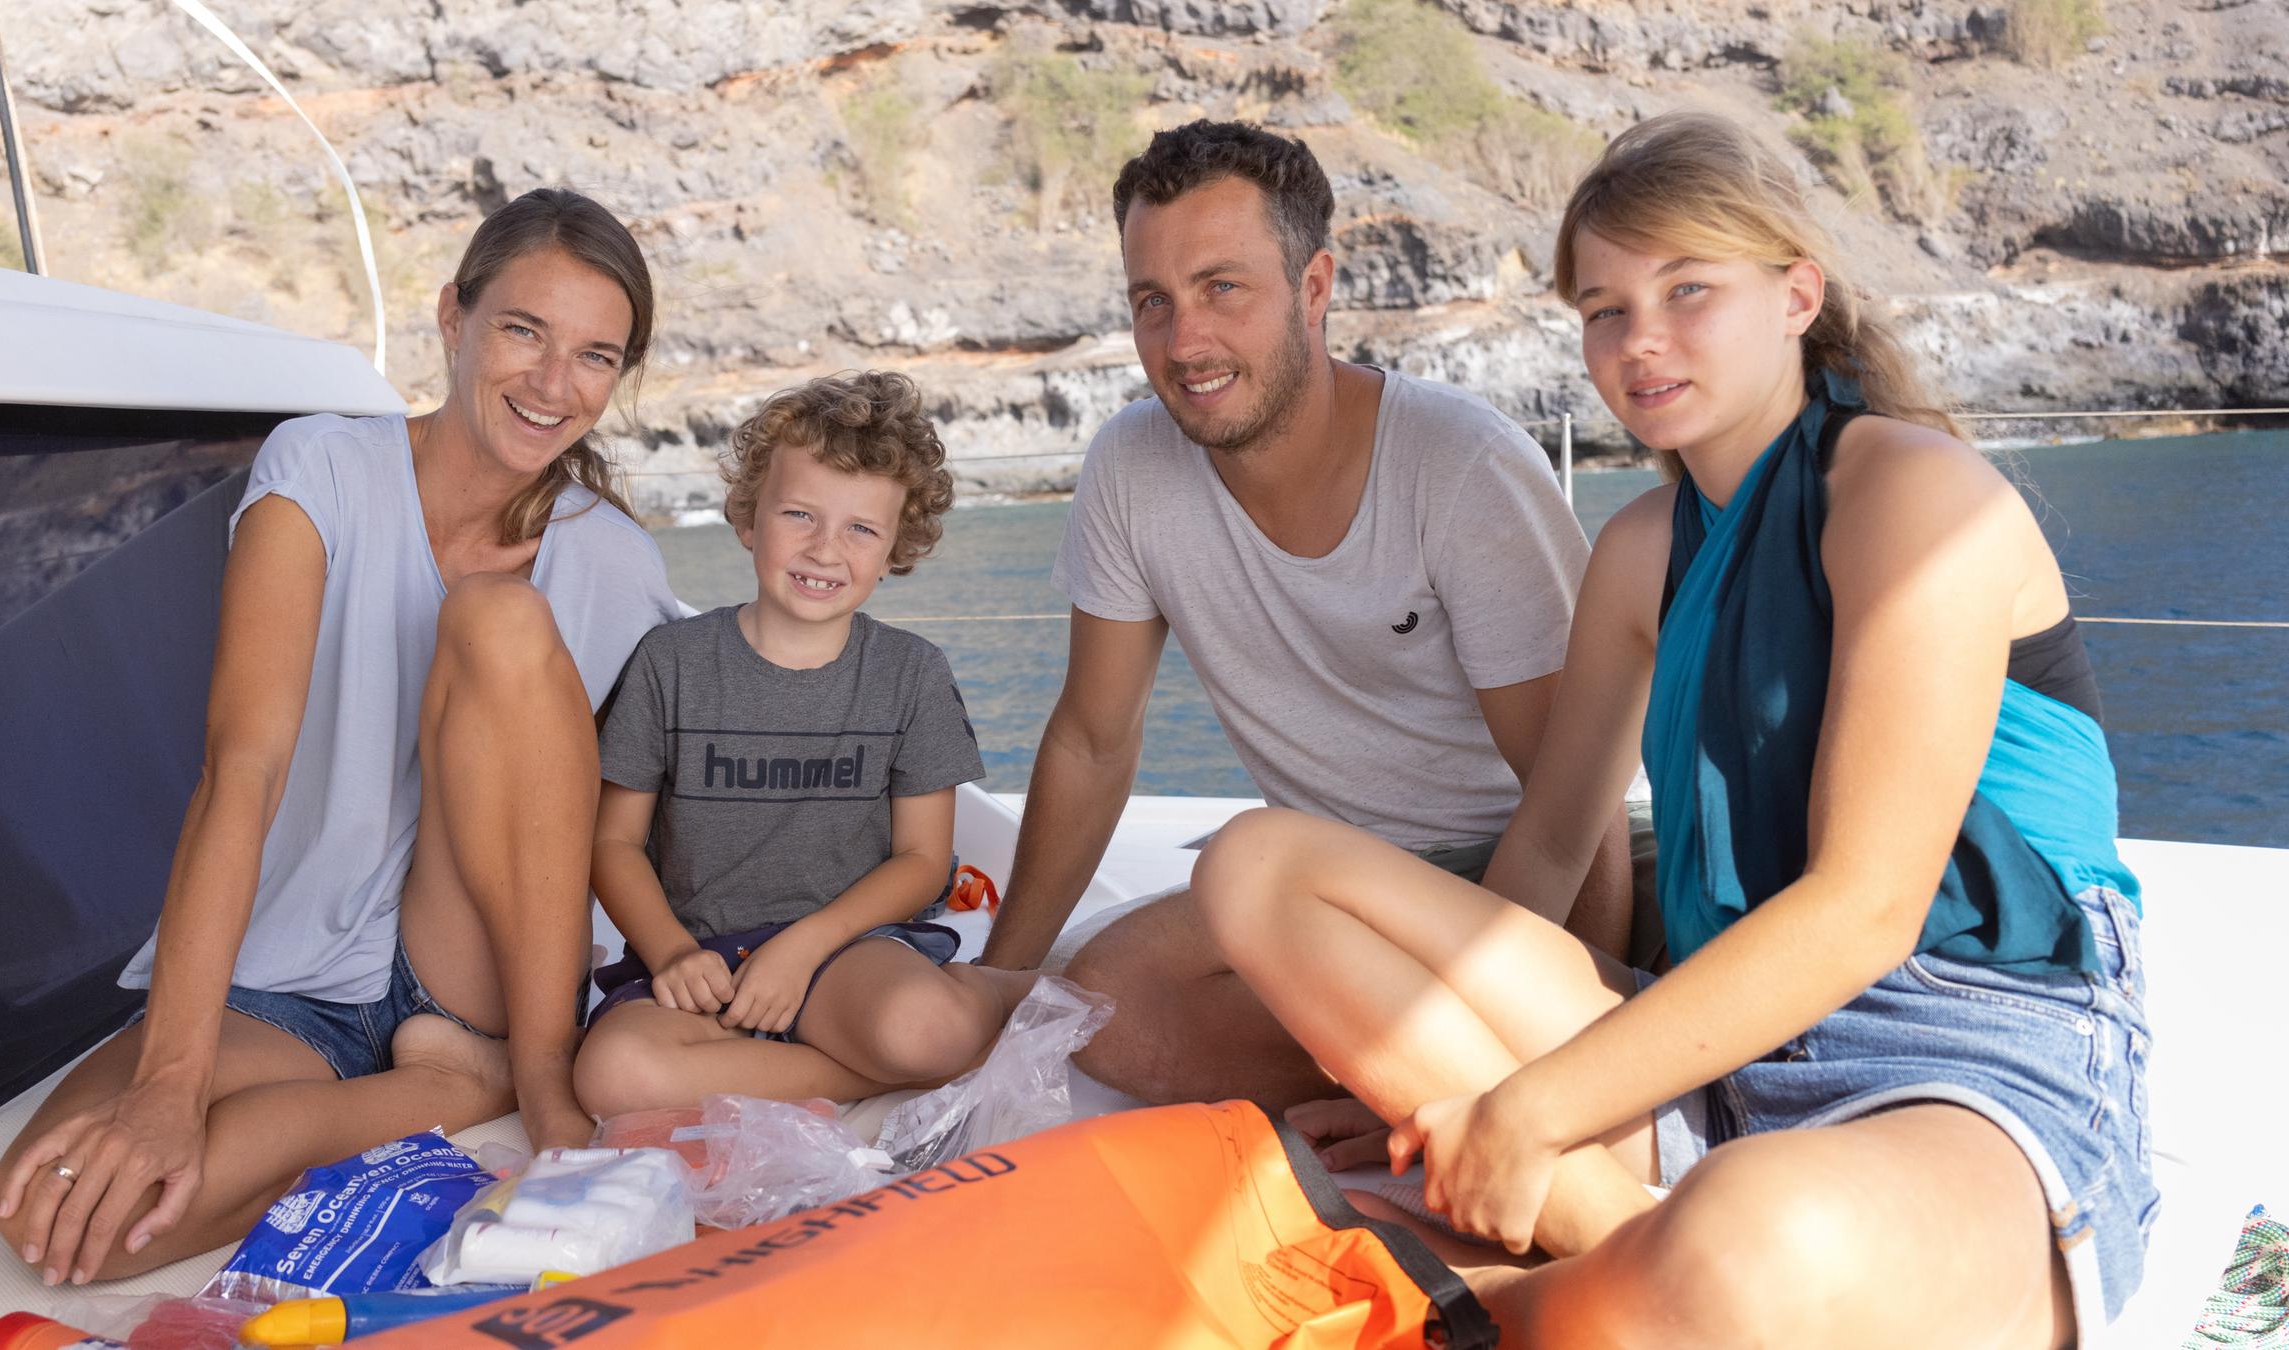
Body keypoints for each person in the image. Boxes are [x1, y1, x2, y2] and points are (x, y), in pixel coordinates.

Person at [1193, 111, 2157, 1347]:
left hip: (1972, 1064)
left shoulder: (1917, 498)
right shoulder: (1639, 556)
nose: (1639, 342)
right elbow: (1545, 853)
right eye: (1604, 310)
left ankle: (1505, 1288)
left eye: (1687, 290)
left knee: (1757, 1240)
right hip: (1723, 1054)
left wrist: (1525, 1112)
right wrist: (1438, 1072)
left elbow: (1866, 911)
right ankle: (1607, 1232)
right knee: (1258, 867)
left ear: (1797, 293)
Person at [0, 188, 684, 1286]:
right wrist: (172, 1085)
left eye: (596, 356)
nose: (555, 385)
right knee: (58, 1210)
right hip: (298, 963)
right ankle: (448, 1091)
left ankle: (522, 1071)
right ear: (453, 319)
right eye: (523, 331)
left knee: (496, 618)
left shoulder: (617, 562)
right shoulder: (318, 472)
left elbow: (662, 783)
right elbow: (242, 775)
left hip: (480, 971)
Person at [973, 119, 1641, 1110]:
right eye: (1152, 301)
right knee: (1093, 1007)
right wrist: (994, 990)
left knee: (1155, 959)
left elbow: (1574, 807)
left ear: (1316, 287)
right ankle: (1392, 1074)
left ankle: (1477, 1063)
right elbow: (1091, 741)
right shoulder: (1131, 466)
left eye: (1222, 288)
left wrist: (1549, 1051)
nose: (1184, 341)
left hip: (1499, 882)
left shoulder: (1461, 468)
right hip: (1316, 889)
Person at [570, 372, 1037, 1115]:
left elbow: (922, 862)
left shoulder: (910, 673)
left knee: (924, 1029)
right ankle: (862, 1077)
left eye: (862, 529)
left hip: (848, 957)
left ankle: (978, 998)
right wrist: (670, 953)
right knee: (612, 1075)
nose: (825, 549)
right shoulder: (670, 662)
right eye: (799, 515)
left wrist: (803, 949)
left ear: (894, 550)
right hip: (706, 964)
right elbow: (613, 844)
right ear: (749, 518)